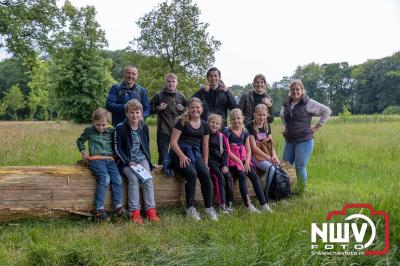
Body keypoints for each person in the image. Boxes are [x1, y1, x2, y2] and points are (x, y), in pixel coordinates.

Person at [170, 97, 218, 221]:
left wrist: (205, 162)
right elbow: (173, 142)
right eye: (192, 107)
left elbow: (205, 145)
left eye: (197, 107)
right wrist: (181, 155)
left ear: (201, 109)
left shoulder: (205, 124)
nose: (195, 110)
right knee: (191, 174)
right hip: (180, 153)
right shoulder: (182, 121)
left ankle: (208, 208)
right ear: (188, 109)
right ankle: (190, 208)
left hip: (196, 154)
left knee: (205, 174)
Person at [115, 99, 161, 224]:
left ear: (141, 113)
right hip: (126, 161)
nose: (134, 115)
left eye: (137, 112)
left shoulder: (143, 126)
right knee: (134, 179)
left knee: (147, 178)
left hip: (141, 158)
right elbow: (117, 148)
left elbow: (145, 145)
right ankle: (135, 212)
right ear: (126, 113)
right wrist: (127, 161)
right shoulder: (120, 128)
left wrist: (149, 162)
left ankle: (150, 210)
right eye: (131, 113)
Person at [280, 80, 331, 190]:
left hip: (304, 140)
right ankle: (286, 190)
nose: (295, 91)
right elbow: (282, 116)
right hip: (289, 140)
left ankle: (301, 190)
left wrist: (317, 127)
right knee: (285, 166)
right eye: (292, 90)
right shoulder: (286, 103)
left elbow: (327, 111)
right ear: (290, 91)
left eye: (298, 89)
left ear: (302, 90)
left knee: (300, 166)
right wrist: (288, 128)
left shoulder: (308, 103)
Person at [76, 108, 124, 222]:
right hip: (96, 159)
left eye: (103, 124)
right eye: (98, 125)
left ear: (108, 122)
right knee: (105, 178)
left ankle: (118, 206)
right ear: (93, 122)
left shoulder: (112, 131)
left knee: (117, 179)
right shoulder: (89, 130)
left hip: (110, 159)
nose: (101, 127)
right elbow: (80, 141)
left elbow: (118, 144)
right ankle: (99, 209)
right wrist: (83, 151)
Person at [224, 108, 272, 213]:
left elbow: (248, 149)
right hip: (233, 160)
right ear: (230, 120)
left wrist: (246, 162)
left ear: (243, 118)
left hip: (244, 158)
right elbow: (228, 151)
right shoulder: (227, 132)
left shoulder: (245, 131)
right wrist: (240, 163)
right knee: (242, 176)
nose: (236, 121)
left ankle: (263, 204)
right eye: (233, 119)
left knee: (254, 177)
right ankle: (248, 205)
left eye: (238, 118)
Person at [150, 73, 187, 165]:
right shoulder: (158, 95)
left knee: (177, 155)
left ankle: (176, 176)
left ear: (176, 83)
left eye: (173, 81)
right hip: (163, 130)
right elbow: (149, 109)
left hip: (178, 131)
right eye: (168, 81)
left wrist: (183, 109)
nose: (171, 83)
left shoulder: (181, 96)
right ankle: (162, 177)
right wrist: (158, 108)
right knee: (163, 156)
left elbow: (189, 110)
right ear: (165, 83)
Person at [246, 104, 280, 195]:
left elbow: (270, 143)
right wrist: (268, 158)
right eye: (259, 115)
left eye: (264, 115)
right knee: (271, 168)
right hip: (255, 155)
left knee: (278, 166)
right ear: (254, 115)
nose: (262, 117)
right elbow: (254, 148)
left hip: (267, 153)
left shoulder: (267, 125)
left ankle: (276, 191)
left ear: (267, 115)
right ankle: (265, 193)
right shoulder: (250, 126)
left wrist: (274, 156)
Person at [207, 114, 234, 214]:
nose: (214, 125)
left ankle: (229, 202)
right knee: (219, 177)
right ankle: (221, 204)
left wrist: (225, 165)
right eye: (212, 122)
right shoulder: (205, 135)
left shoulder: (222, 136)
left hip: (220, 162)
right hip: (210, 162)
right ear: (208, 122)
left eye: (217, 123)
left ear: (220, 125)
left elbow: (226, 151)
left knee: (228, 177)